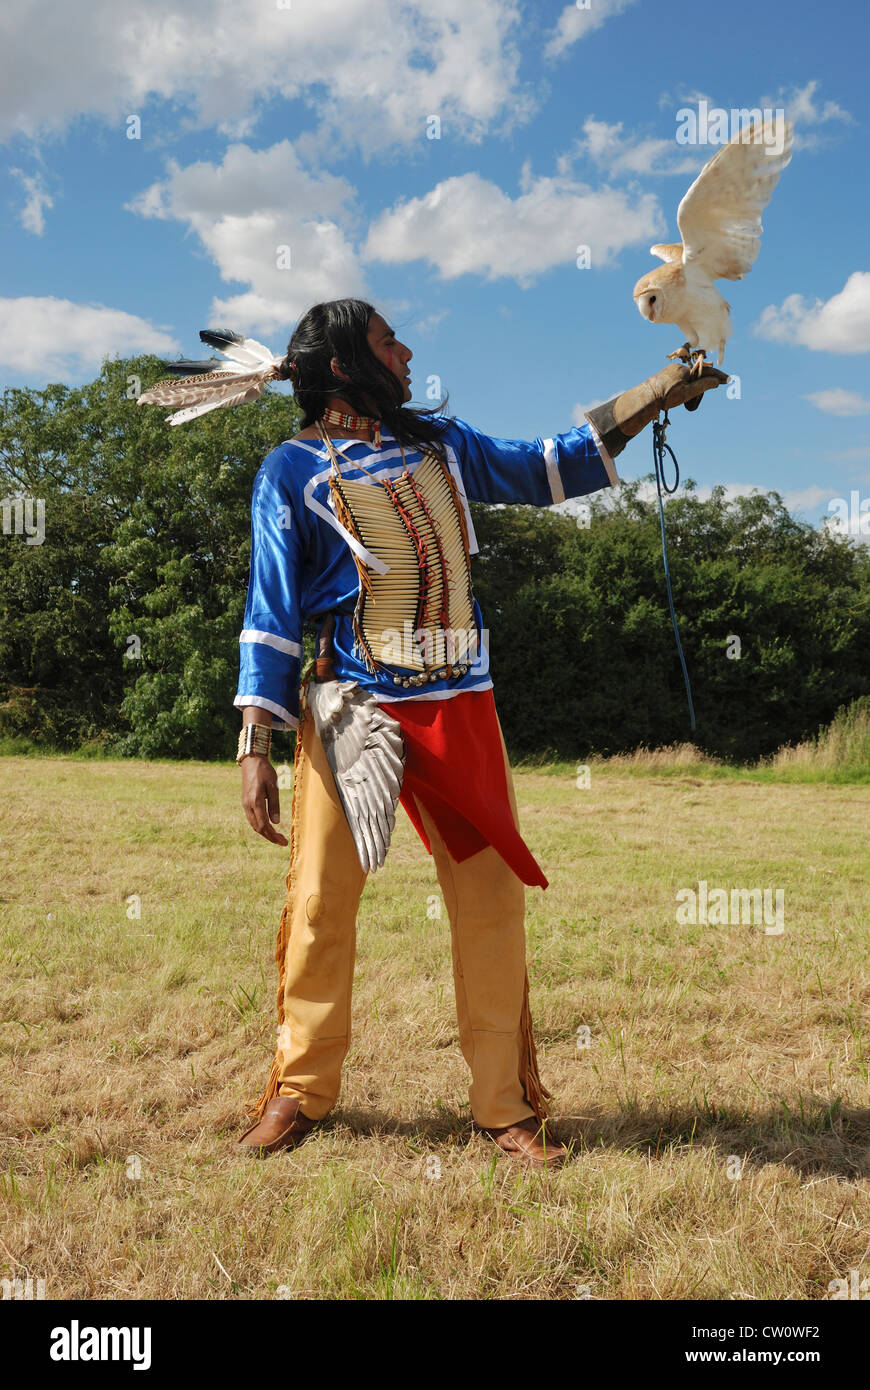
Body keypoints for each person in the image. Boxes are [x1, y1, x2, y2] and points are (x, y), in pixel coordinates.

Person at [140, 298, 726, 1166]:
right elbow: (270, 611)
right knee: (319, 902)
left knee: (489, 903)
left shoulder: (441, 449)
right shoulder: (290, 469)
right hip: (350, 709)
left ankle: (503, 1105)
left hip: (461, 701)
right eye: (386, 340)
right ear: (345, 365)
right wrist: (255, 743)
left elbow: (545, 468)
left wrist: (656, 393)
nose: (406, 352)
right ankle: (300, 1093)